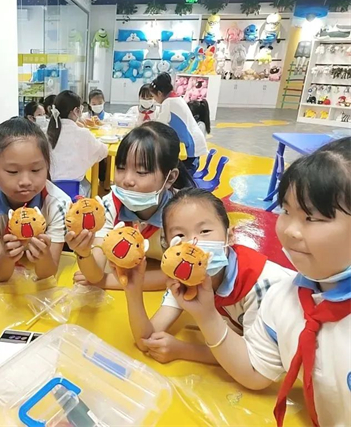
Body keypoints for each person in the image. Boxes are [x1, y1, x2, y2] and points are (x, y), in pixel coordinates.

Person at [168, 138, 351, 427]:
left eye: (312, 217)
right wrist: (206, 315)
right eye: (286, 211)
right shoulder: (284, 299)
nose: (290, 231)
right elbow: (254, 371)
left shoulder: (266, 284)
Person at [124, 188, 294, 364]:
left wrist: (183, 350)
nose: (194, 244)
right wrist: (133, 289)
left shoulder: (260, 284)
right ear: (168, 247)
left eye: (204, 231)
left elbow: (254, 361)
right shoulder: (183, 278)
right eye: (180, 235)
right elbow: (147, 340)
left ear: (230, 236)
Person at [69, 122, 195, 291]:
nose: (127, 180)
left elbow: (181, 274)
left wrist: (107, 281)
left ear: (170, 178)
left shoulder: (183, 214)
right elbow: (96, 272)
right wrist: (84, 253)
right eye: (121, 168)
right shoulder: (108, 207)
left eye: (141, 172)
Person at [0, 117, 72, 282]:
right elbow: (0, 274)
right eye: (13, 172)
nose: (25, 181)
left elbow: (48, 274)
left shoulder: (59, 204)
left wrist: (44, 256)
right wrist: (7, 256)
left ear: (47, 165)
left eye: (36, 170)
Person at [47, 90, 108, 196]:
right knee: (89, 185)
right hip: (76, 191)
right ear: (75, 111)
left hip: (50, 189)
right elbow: (103, 151)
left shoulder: (47, 133)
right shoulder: (83, 133)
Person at [149, 73, 208, 174]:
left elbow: (159, 125)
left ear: (159, 93)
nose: (154, 100)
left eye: (154, 97)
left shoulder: (168, 102)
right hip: (194, 142)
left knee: (182, 176)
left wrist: (146, 126)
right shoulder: (176, 99)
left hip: (192, 145)